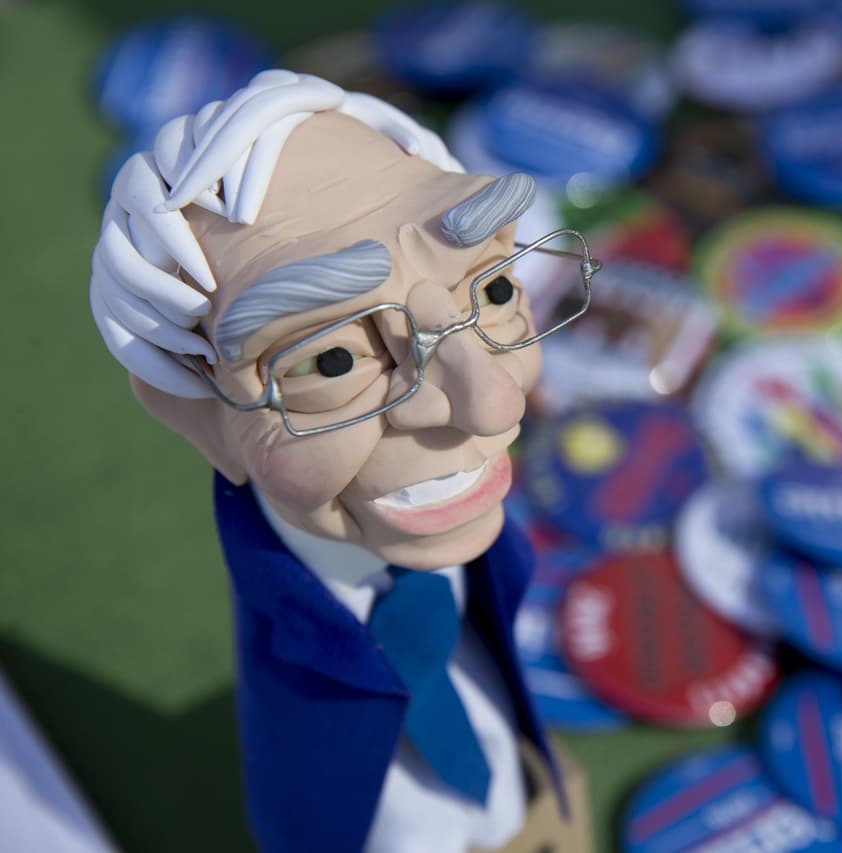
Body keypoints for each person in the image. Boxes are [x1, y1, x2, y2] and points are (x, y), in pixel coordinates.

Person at [88, 69, 595, 853]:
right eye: (330, 361)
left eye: (492, 290)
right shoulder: (298, 653)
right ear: (201, 417)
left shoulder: (459, 527)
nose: (492, 403)